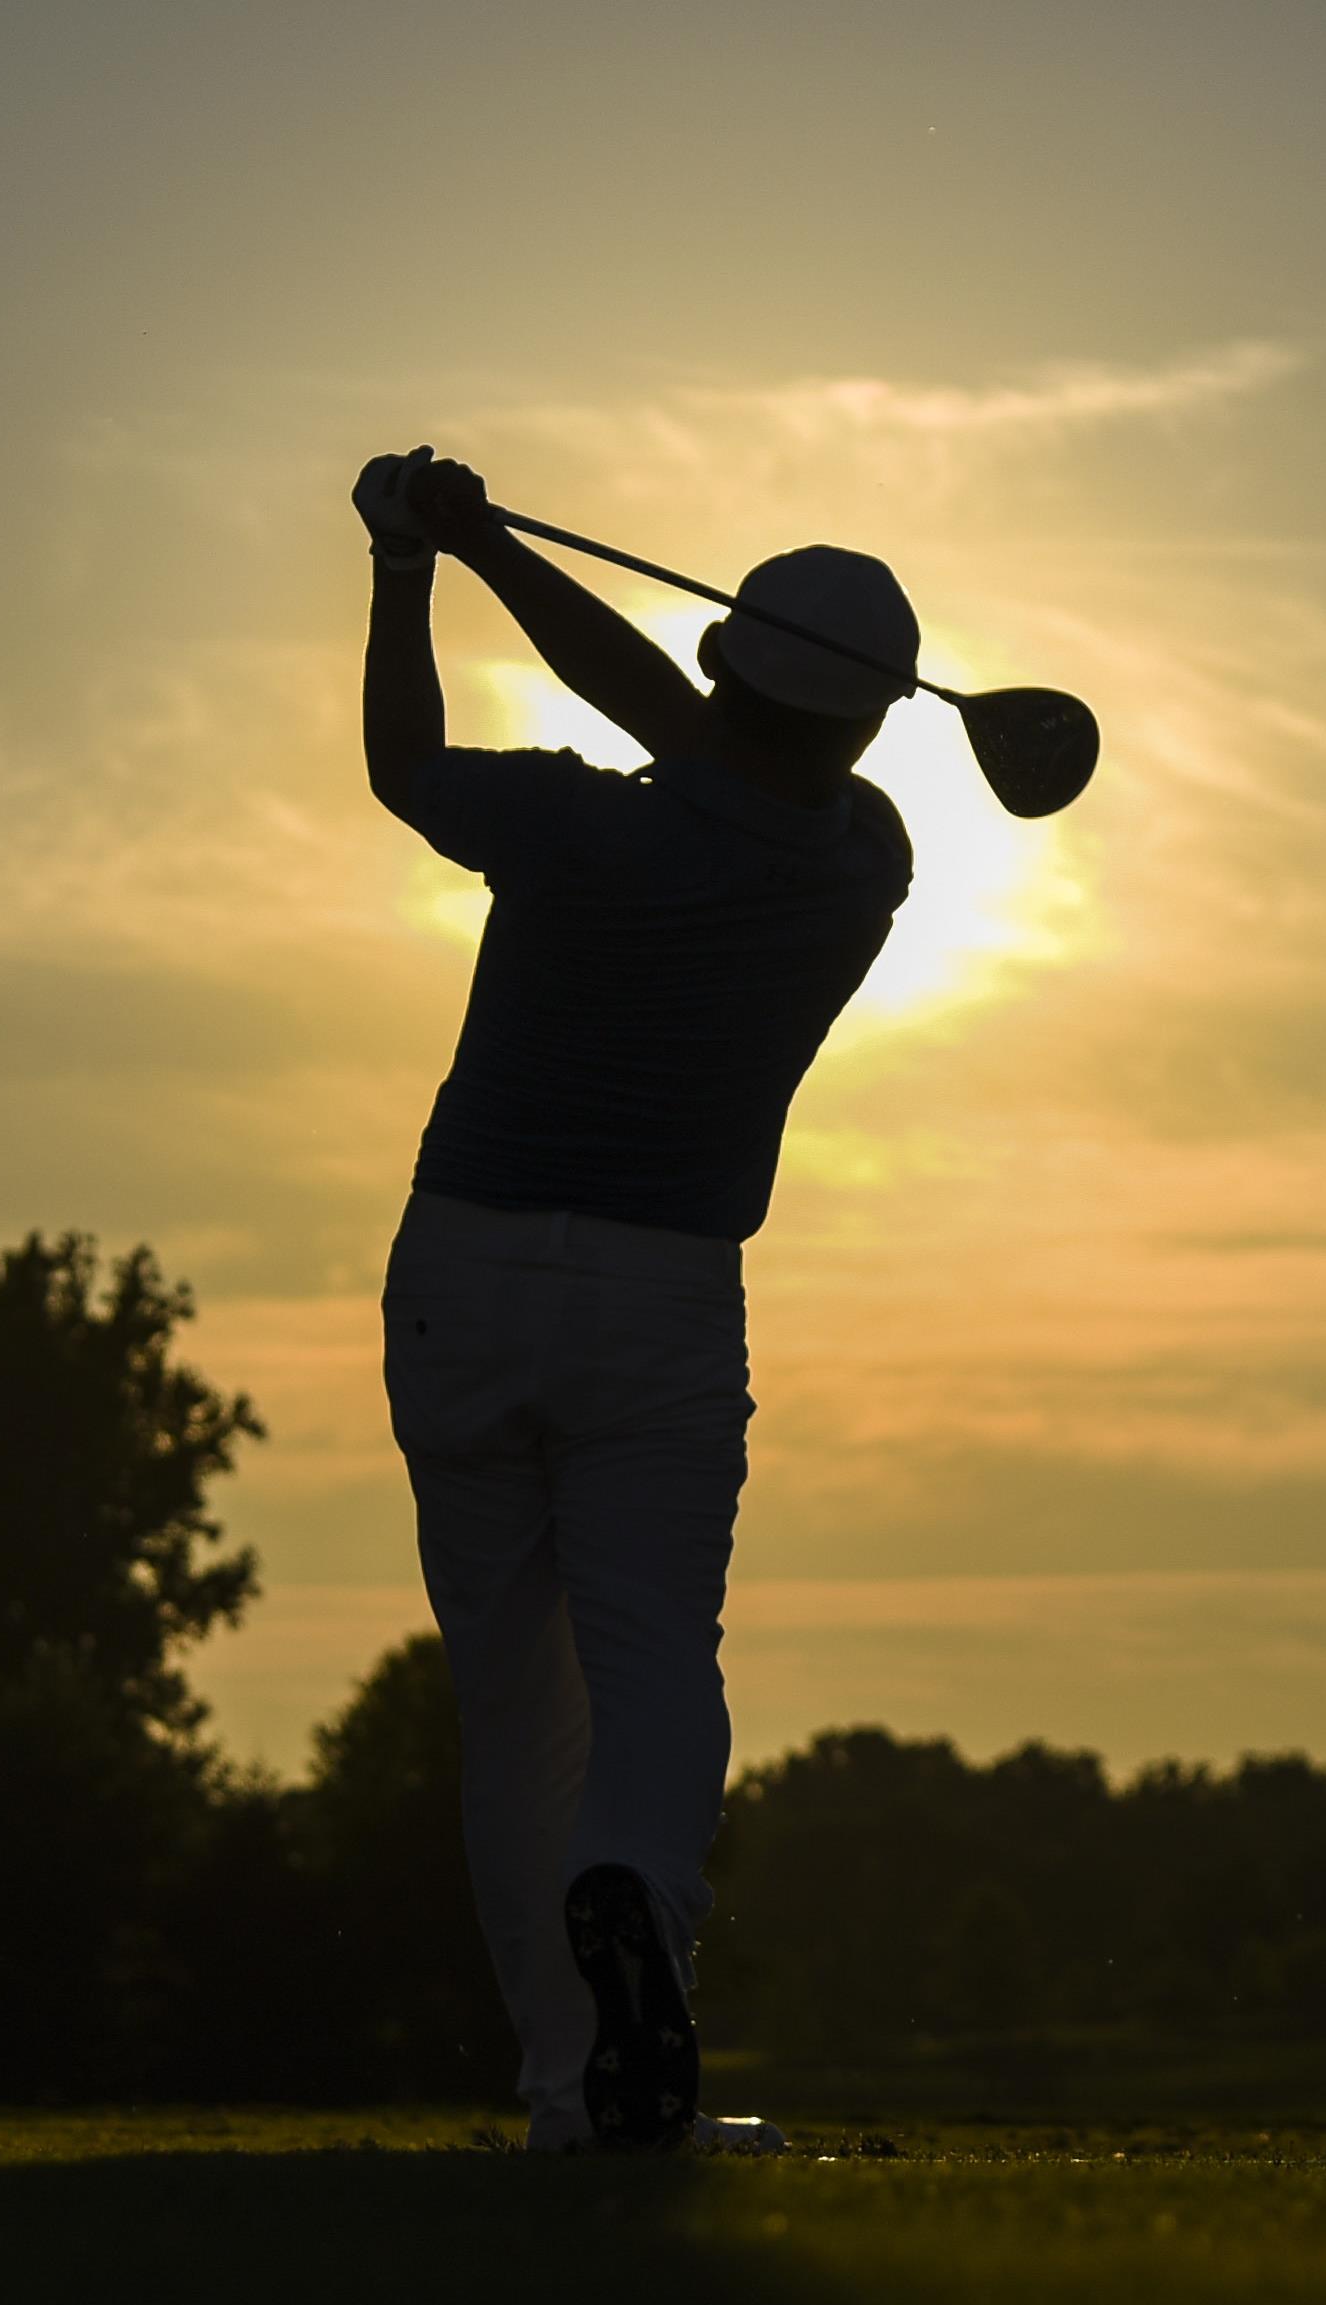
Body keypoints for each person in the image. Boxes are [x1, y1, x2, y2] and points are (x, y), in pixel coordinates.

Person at [355, 445, 918, 2155]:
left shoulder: (570, 820)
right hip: (664, 1295)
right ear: (871, 728)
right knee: (656, 1653)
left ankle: (561, 2089)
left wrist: (421, 564)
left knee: (516, 1701)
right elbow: (698, 728)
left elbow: (402, 767)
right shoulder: (864, 862)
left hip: (461, 1269)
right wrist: (491, 547)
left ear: (722, 664)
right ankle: (634, 1889)